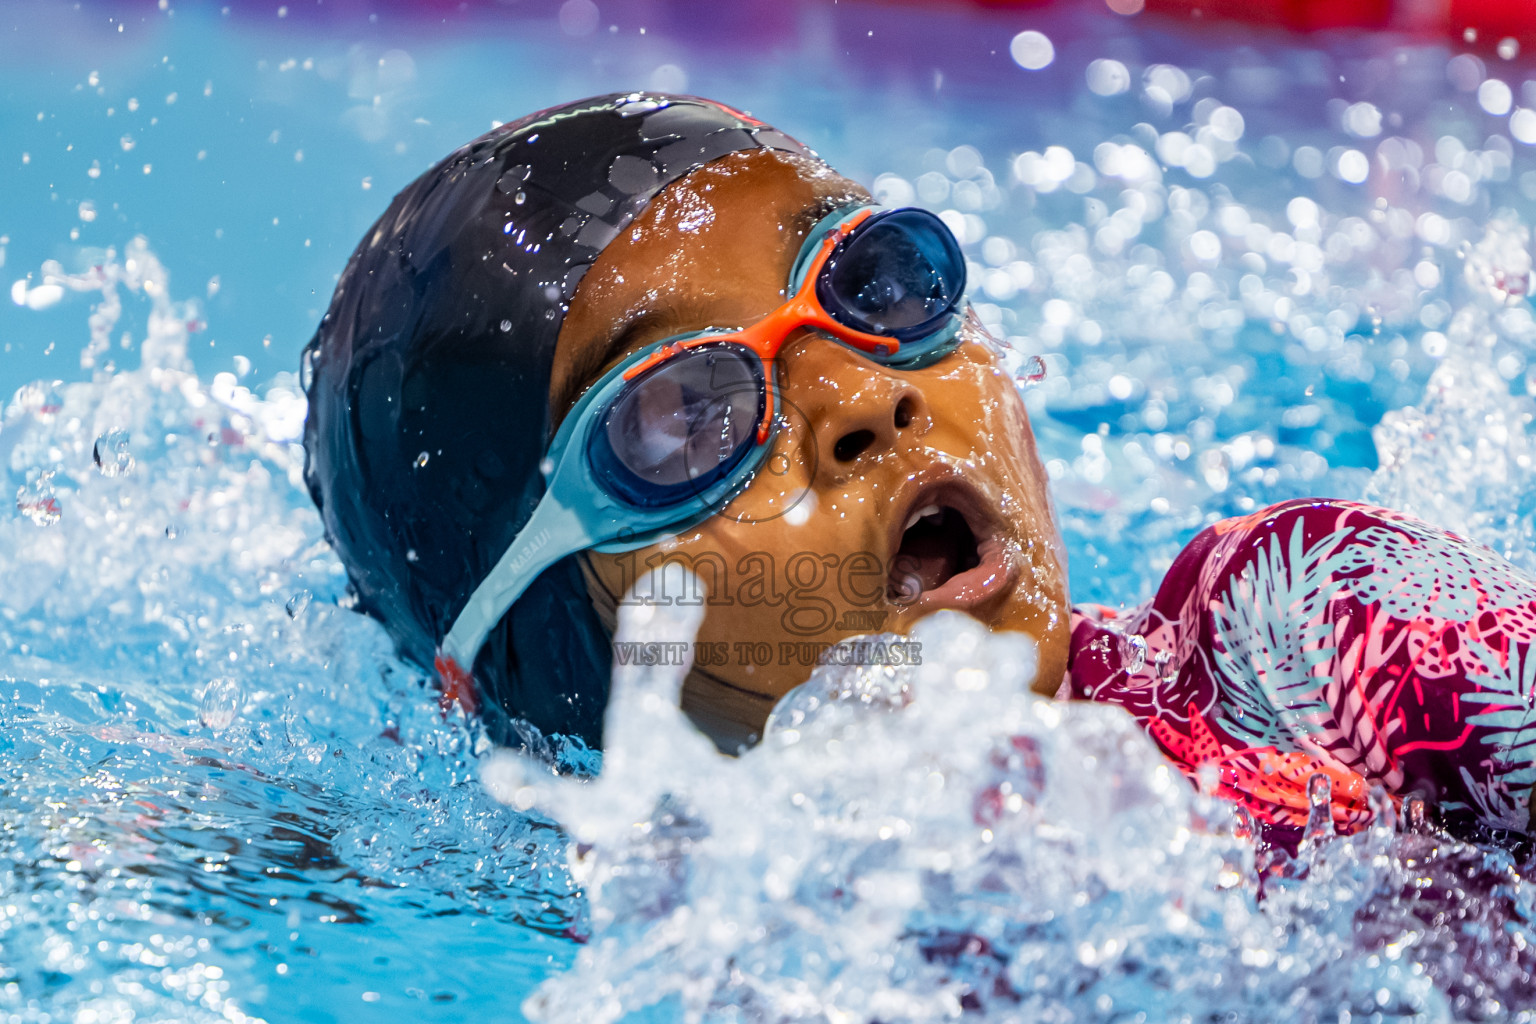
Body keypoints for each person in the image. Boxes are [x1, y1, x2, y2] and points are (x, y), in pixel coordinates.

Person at [302, 93, 1536, 845]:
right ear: (523, 659)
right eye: (684, 417)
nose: (864, 398)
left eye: (872, 282)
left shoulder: (1307, 646)